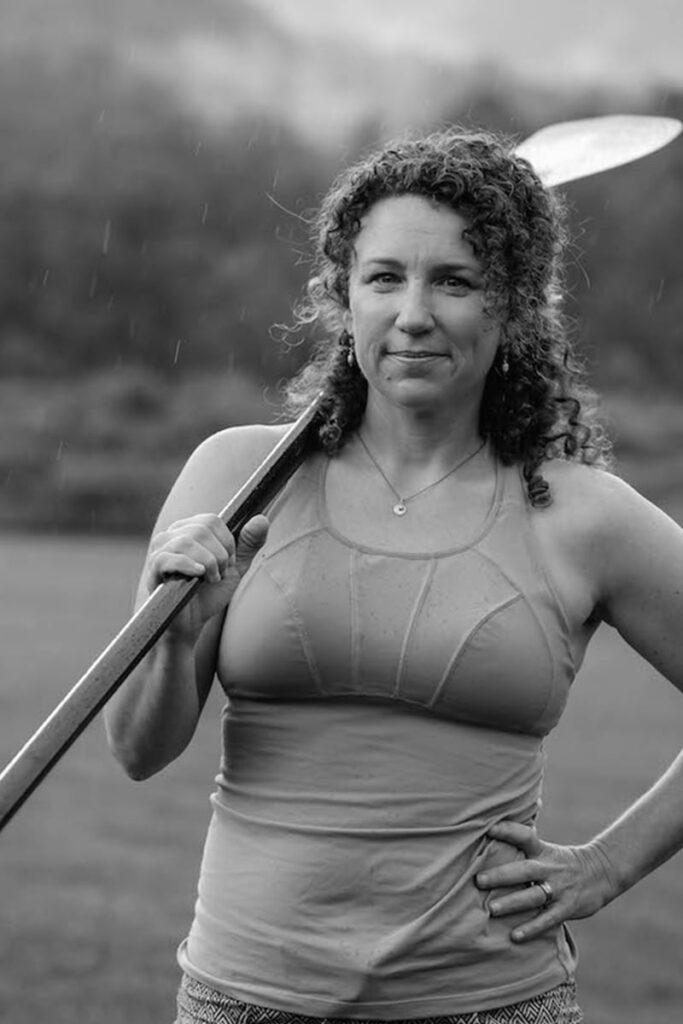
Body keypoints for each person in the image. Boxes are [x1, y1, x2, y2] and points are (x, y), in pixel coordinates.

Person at [105, 127, 683, 1024]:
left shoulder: (582, 516)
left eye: (453, 281)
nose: (412, 314)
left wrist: (606, 866)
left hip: (489, 1003)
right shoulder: (237, 477)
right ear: (342, 295)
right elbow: (137, 752)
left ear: (515, 305)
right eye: (383, 277)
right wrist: (174, 636)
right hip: (240, 997)